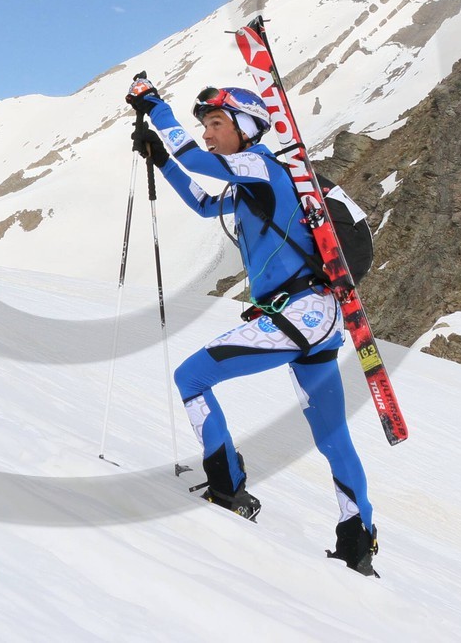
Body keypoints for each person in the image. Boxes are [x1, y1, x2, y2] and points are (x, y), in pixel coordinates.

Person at [126, 75, 380, 576]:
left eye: (216, 123)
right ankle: (358, 544)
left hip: (300, 314)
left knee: (192, 377)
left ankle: (228, 489)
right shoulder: (252, 190)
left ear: (246, 128)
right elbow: (203, 202)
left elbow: (199, 162)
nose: (207, 133)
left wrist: (157, 108)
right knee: (331, 434)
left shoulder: (262, 165)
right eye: (204, 125)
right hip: (315, 318)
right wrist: (160, 159)